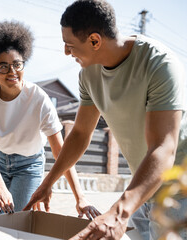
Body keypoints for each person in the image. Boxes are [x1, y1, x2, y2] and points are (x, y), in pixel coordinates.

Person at [23, 0, 187, 239]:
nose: (66, 52)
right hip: (141, 189)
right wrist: (48, 182)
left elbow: (164, 146)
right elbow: (80, 133)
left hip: (178, 192)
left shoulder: (159, 64)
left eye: (69, 45)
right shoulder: (88, 74)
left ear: (94, 41)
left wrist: (119, 213)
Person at [0, 20, 101, 218]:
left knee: (19, 219)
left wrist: (79, 196)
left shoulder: (38, 98)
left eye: (17, 64)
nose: (12, 71)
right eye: (3, 66)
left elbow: (60, 150)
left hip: (28, 164)